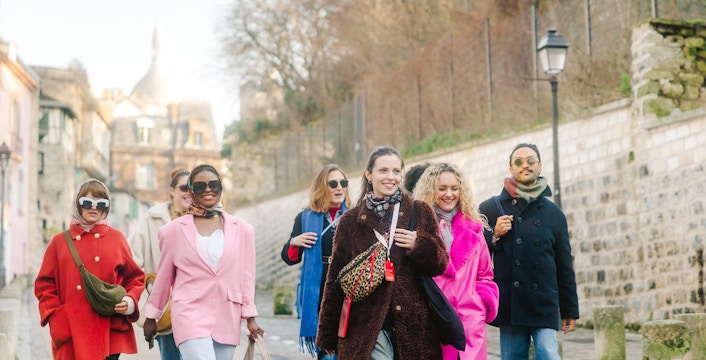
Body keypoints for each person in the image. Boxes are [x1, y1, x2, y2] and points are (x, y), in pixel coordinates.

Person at [316, 146, 449, 360]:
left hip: (413, 327)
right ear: (369, 174)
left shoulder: (420, 211)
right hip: (365, 327)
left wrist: (420, 244)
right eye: (383, 171)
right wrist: (328, 335)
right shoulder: (350, 221)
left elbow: (440, 264)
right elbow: (336, 280)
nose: (391, 177)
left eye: (396, 171)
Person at [143, 164, 263, 360]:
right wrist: (151, 316)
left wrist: (250, 317)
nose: (208, 189)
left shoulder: (243, 230)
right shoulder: (172, 232)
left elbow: (247, 277)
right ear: (191, 191)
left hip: (227, 314)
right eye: (200, 186)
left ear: (221, 188)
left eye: (213, 185)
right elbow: (164, 278)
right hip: (189, 313)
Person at [478, 143, 579, 360]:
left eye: (531, 161)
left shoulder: (554, 214)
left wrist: (569, 309)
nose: (525, 166)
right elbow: (472, 251)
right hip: (510, 302)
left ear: (540, 166)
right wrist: (494, 235)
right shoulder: (490, 208)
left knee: (548, 354)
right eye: (519, 162)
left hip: (544, 302)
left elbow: (564, 265)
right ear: (511, 168)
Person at [35, 178, 146, 360]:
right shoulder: (59, 242)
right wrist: (57, 316)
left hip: (109, 330)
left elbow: (135, 278)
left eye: (101, 203)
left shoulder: (117, 239)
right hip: (71, 331)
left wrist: (129, 301)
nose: (94, 208)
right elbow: (44, 285)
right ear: (77, 204)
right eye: (87, 202)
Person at [413, 162, 500, 359]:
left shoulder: (475, 229)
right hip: (434, 321)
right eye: (441, 188)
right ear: (430, 190)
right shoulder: (419, 228)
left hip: (470, 322)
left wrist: (483, 305)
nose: (449, 194)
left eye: (454, 188)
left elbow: (485, 275)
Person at [281, 164, 352, 359]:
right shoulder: (305, 218)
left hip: (348, 289)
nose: (340, 187)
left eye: (343, 182)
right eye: (333, 183)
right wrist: (294, 242)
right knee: (328, 353)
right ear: (322, 187)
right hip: (318, 291)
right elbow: (289, 258)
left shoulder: (354, 216)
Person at [129, 167, 190, 359]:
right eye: (184, 188)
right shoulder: (152, 220)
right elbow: (131, 260)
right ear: (172, 191)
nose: (189, 193)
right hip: (167, 308)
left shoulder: (204, 219)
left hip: (196, 307)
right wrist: (145, 290)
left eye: (193, 188)